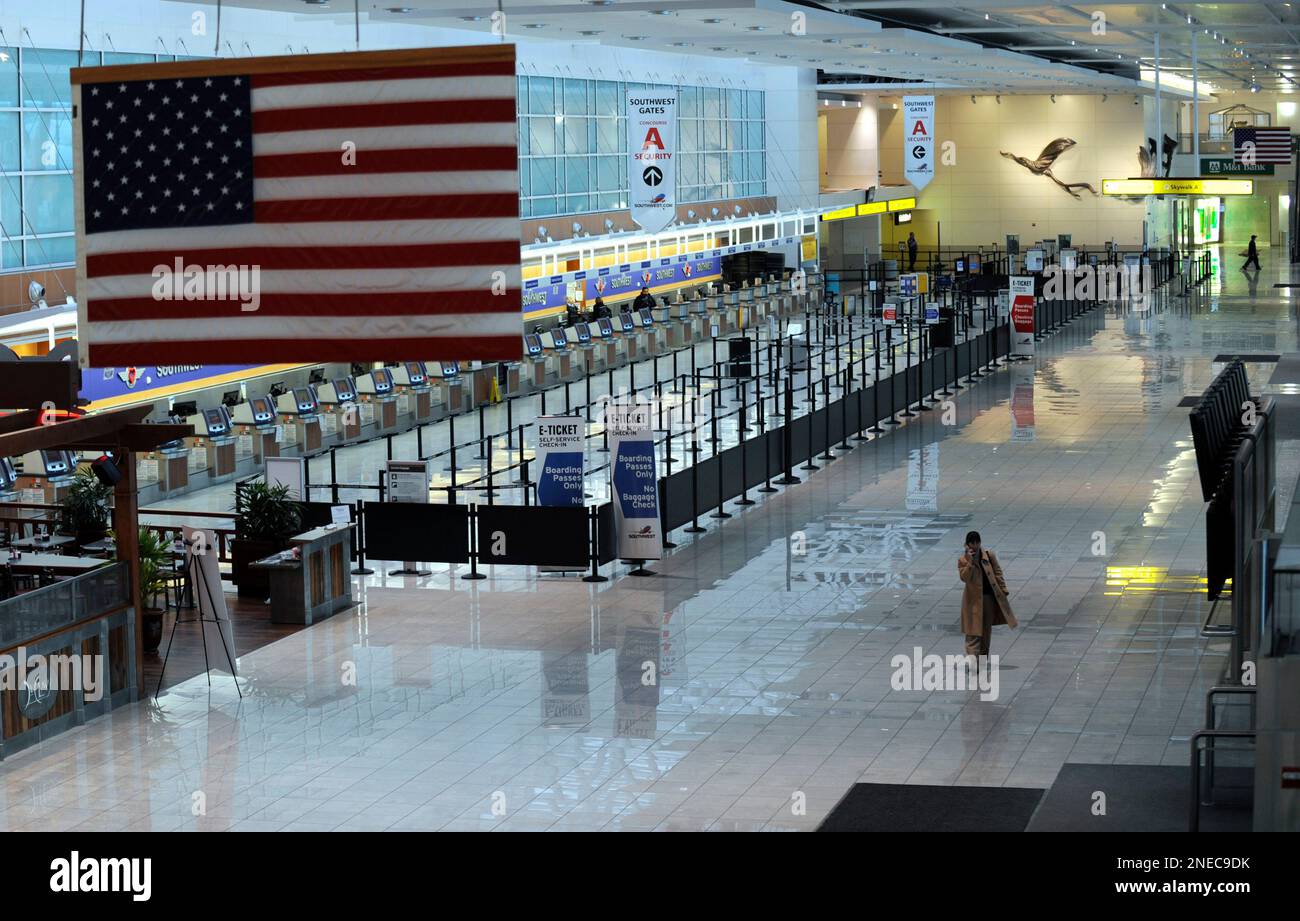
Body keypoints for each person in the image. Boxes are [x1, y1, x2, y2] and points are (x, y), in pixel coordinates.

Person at [957, 530, 1017, 662]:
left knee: (985, 632)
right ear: (966, 545)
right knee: (972, 633)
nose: (974, 546)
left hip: (988, 599)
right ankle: (973, 661)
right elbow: (964, 578)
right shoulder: (963, 560)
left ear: (980, 542)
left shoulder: (989, 556)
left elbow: (997, 572)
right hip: (972, 602)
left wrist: (1003, 589)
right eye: (971, 543)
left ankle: (982, 661)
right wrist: (970, 562)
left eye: (976, 543)